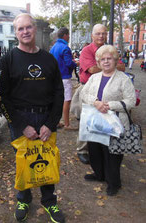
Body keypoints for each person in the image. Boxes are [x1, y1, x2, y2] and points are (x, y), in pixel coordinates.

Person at [0, 13, 65, 223]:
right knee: (24, 162)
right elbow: (2, 96)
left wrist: (50, 123)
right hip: (20, 118)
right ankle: (23, 199)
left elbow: (58, 93)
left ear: (35, 29)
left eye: (28, 27)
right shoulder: (7, 60)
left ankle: (49, 200)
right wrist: (20, 124)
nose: (25, 32)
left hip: (45, 116)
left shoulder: (48, 59)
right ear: (16, 32)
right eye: (20, 29)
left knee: (47, 158)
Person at [81, 45, 136, 196]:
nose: (105, 62)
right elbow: (83, 94)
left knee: (113, 154)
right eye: (102, 59)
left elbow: (131, 101)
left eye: (109, 59)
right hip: (96, 122)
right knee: (95, 151)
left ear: (115, 60)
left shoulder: (123, 79)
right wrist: (96, 102)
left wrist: (110, 105)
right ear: (98, 62)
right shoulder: (94, 77)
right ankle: (99, 174)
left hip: (115, 124)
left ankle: (114, 183)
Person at [72, 24, 125, 164]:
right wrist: (112, 66)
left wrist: (105, 67)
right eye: (98, 33)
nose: (101, 36)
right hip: (89, 90)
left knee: (106, 119)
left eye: (103, 33)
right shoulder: (86, 51)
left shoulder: (110, 49)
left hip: (108, 90)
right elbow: (92, 69)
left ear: (106, 35)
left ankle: (102, 147)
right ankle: (82, 150)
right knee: (87, 120)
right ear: (92, 35)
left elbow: (123, 67)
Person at [50, 27, 78, 130]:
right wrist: (75, 63)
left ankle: (56, 122)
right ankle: (67, 124)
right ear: (65, 35)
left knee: (57, 100)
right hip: (65, 77)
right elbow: (68, 63)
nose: (69, 37)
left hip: (55, 78)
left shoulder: (53, 48)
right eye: (69, 35)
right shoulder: (65, 48)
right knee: (67, 100)